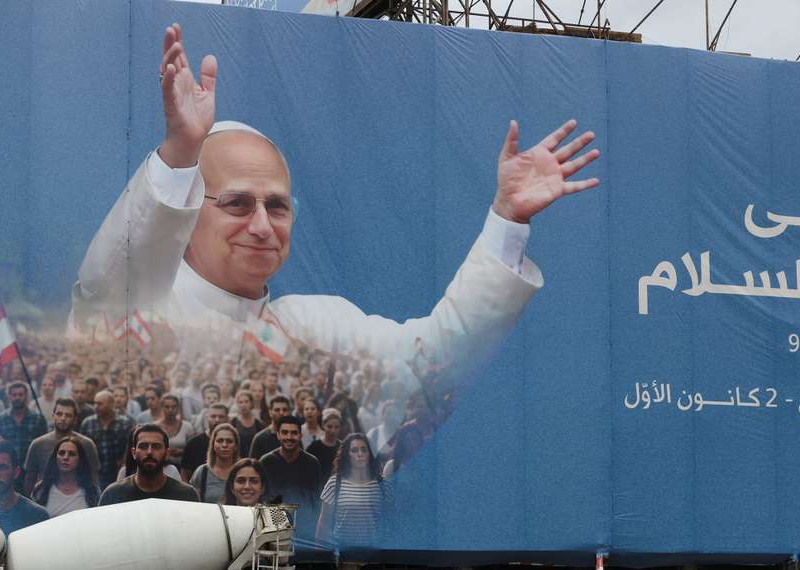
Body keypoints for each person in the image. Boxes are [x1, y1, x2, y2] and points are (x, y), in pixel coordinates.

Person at [70, 24, 599, 477]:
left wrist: (507, 220)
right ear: (189, 209)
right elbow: (109, 284)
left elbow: (433, 362)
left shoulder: (315, 325)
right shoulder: (144, 312)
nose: (261, 226)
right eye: (236, 204)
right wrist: (182, 151)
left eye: (276, 207)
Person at [99, 424, 201, 505]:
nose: (149, 452)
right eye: (143, 446)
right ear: (134, 453)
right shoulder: (113, 494)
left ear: (167, 454)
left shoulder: (186, 495)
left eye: (156, 446)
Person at [316, 433, 384, 548]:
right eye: (354, 450)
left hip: (374, 552)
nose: (360, 454)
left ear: (370, 453)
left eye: (364, 450)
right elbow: (324, 523)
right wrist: (319, 554)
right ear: (347, 455)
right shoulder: (335, 483)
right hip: (342, 551)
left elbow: (391, 521)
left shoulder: (382, 484)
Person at [259, 414, 322, 534]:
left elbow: (315, 500)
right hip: (273, 527)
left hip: (305, 529)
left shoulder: (312, 463)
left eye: (294, 433)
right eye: (285, 432)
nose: (289, 437)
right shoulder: (266, 462)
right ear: (278, 435)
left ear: (300, 435)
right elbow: (261, 498)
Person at [24, 398, 100, 494]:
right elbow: (30, 479)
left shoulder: (87, 444)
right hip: (45, 497)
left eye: (68, 415)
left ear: (75, 419)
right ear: (53, 416)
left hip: (78, 498)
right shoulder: (38, 444)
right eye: (59, 414)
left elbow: (94, 478)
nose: (63, 418)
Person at [32, 436, 100, 517]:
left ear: (80, 459)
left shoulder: (92, 491)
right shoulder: (41, 489)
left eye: (72, 454)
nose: (65, 457)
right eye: (61, 453)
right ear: (55, 457)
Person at [80, 390, 136, 488]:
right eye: (95, 403)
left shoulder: (125, 423)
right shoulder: (88, 423)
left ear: (111, 404)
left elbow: (131, 445)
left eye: (100, 404)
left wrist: (124, 463)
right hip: (95, 474)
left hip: (119, 474)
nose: (96, 407)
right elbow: (81, 448)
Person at [190, 422, 240, 503]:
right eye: (220, 441)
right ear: (213, 444)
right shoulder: (202, 472)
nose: (224, 445)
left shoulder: (242, 471)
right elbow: (193, 504)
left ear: (236, 446)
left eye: (229, 441)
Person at [181, 402, 229, 480]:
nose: (217, 420)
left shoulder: (234, 442)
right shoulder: (194, 442)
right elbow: (185, 471)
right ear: (207, 418)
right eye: (213, 416)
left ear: (227, 418)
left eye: (221, 417)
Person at [157, 392, 196, 468]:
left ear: (178, 408)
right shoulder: (155, 427)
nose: (170, 410)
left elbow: (193, 449)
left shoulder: (187, 426)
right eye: (167, 407)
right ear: (162, 408)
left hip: (183, 467)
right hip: (160, 467)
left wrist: (182, 452)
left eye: (174, 407)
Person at [249, 395, 292, 459]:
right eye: (277, 410)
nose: (281, 412)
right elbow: (252, 465)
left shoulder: (294, 436)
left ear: (289, 412)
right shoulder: (259, 439)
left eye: (285, 410)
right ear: (270, 412)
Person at [306, 408, 342, 480]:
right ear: (323, 425)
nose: (333, 430)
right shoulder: (314, 447)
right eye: (329, 426)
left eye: (336, 427)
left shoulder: (342, 446)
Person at [230, 388, 266, 455]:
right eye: (240, 402)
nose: (243, 405)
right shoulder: (233, 422)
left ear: (251, 403)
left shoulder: (259, 424)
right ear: (237, 404)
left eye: (246, 402)